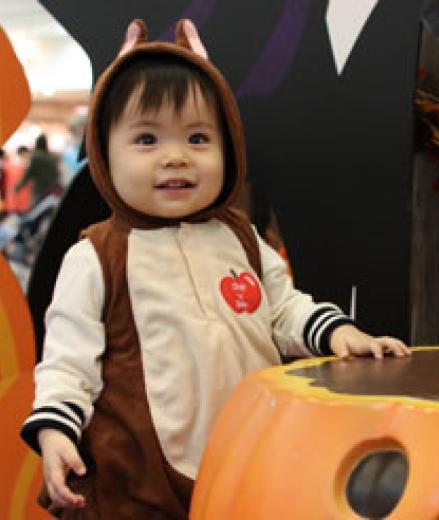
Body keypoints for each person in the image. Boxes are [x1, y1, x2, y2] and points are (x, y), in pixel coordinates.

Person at [20, 19, 410, 518]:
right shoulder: (97, 255)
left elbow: (283, 308)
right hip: (140, 481)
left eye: (199, 138)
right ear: (103, 152)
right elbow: (68, 362)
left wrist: (338, 333)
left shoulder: (240, 237)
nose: (176, 157)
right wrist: (56, 432)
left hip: (251, 459)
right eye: (147, 139)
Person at [15, 133, 60, 206]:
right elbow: (56, 173)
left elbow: (29, 173)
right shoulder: (51, 156)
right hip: (51, 188)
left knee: (36, 208)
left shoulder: (36, 157)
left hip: (39, 188)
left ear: (37, 143)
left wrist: (19, 186)